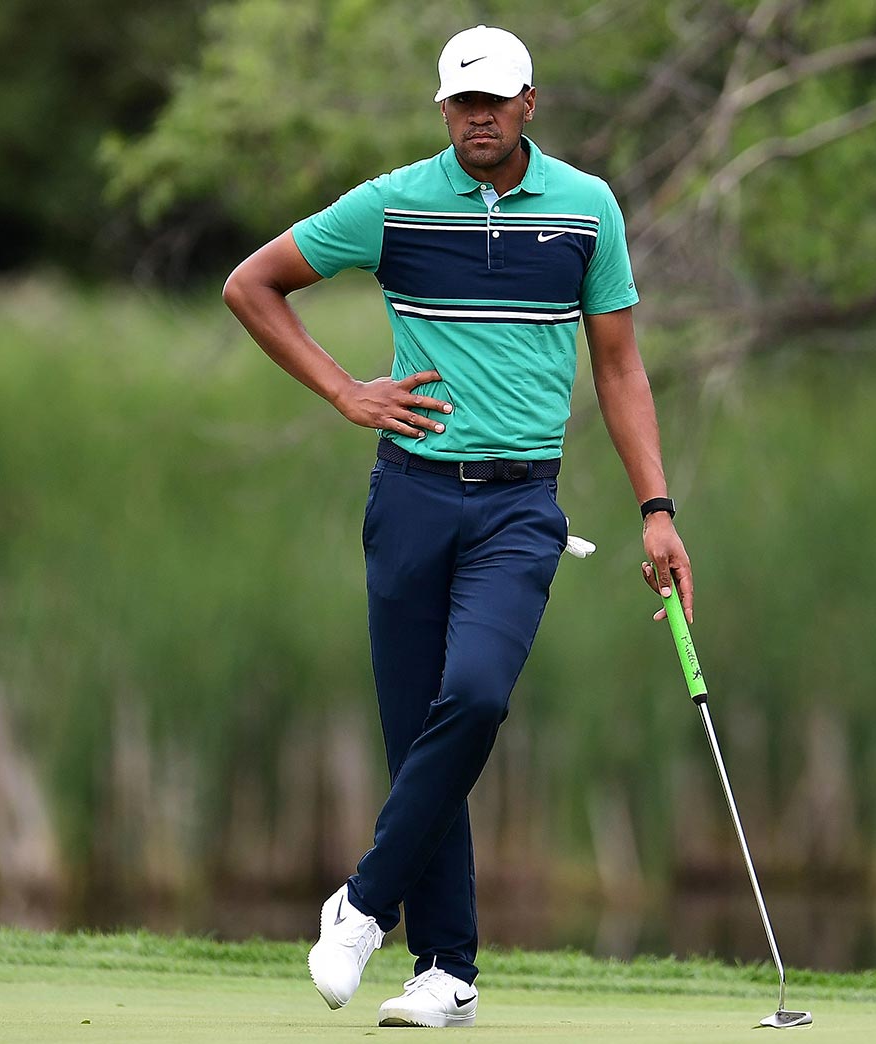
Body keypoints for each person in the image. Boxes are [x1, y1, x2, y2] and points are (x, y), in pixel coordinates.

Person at [222, 23, 695, 1029]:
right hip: (410, 497)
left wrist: (656, 508)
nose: (476, 118)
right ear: (443, 109)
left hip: (520, 505)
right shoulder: (391, 203)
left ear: (529, 103)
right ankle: (445, 973)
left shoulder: (584, 209)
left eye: (493, 101)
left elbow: (618, 367)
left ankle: (360, 906)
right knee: (416, 735)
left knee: (474, 697)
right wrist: (345, 391)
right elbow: (250, 286)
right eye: (459, 104)